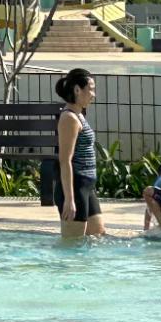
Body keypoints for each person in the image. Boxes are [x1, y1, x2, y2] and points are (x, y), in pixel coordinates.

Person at [47, 68, 105, 238]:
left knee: (97, 236)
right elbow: (65, 160)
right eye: (91, 89)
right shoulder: (69, 118)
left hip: (86, 186)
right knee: (72, 245)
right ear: (77, 90)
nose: (93, 95)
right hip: (75, 187)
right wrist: (69, 199)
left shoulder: (79, 115)